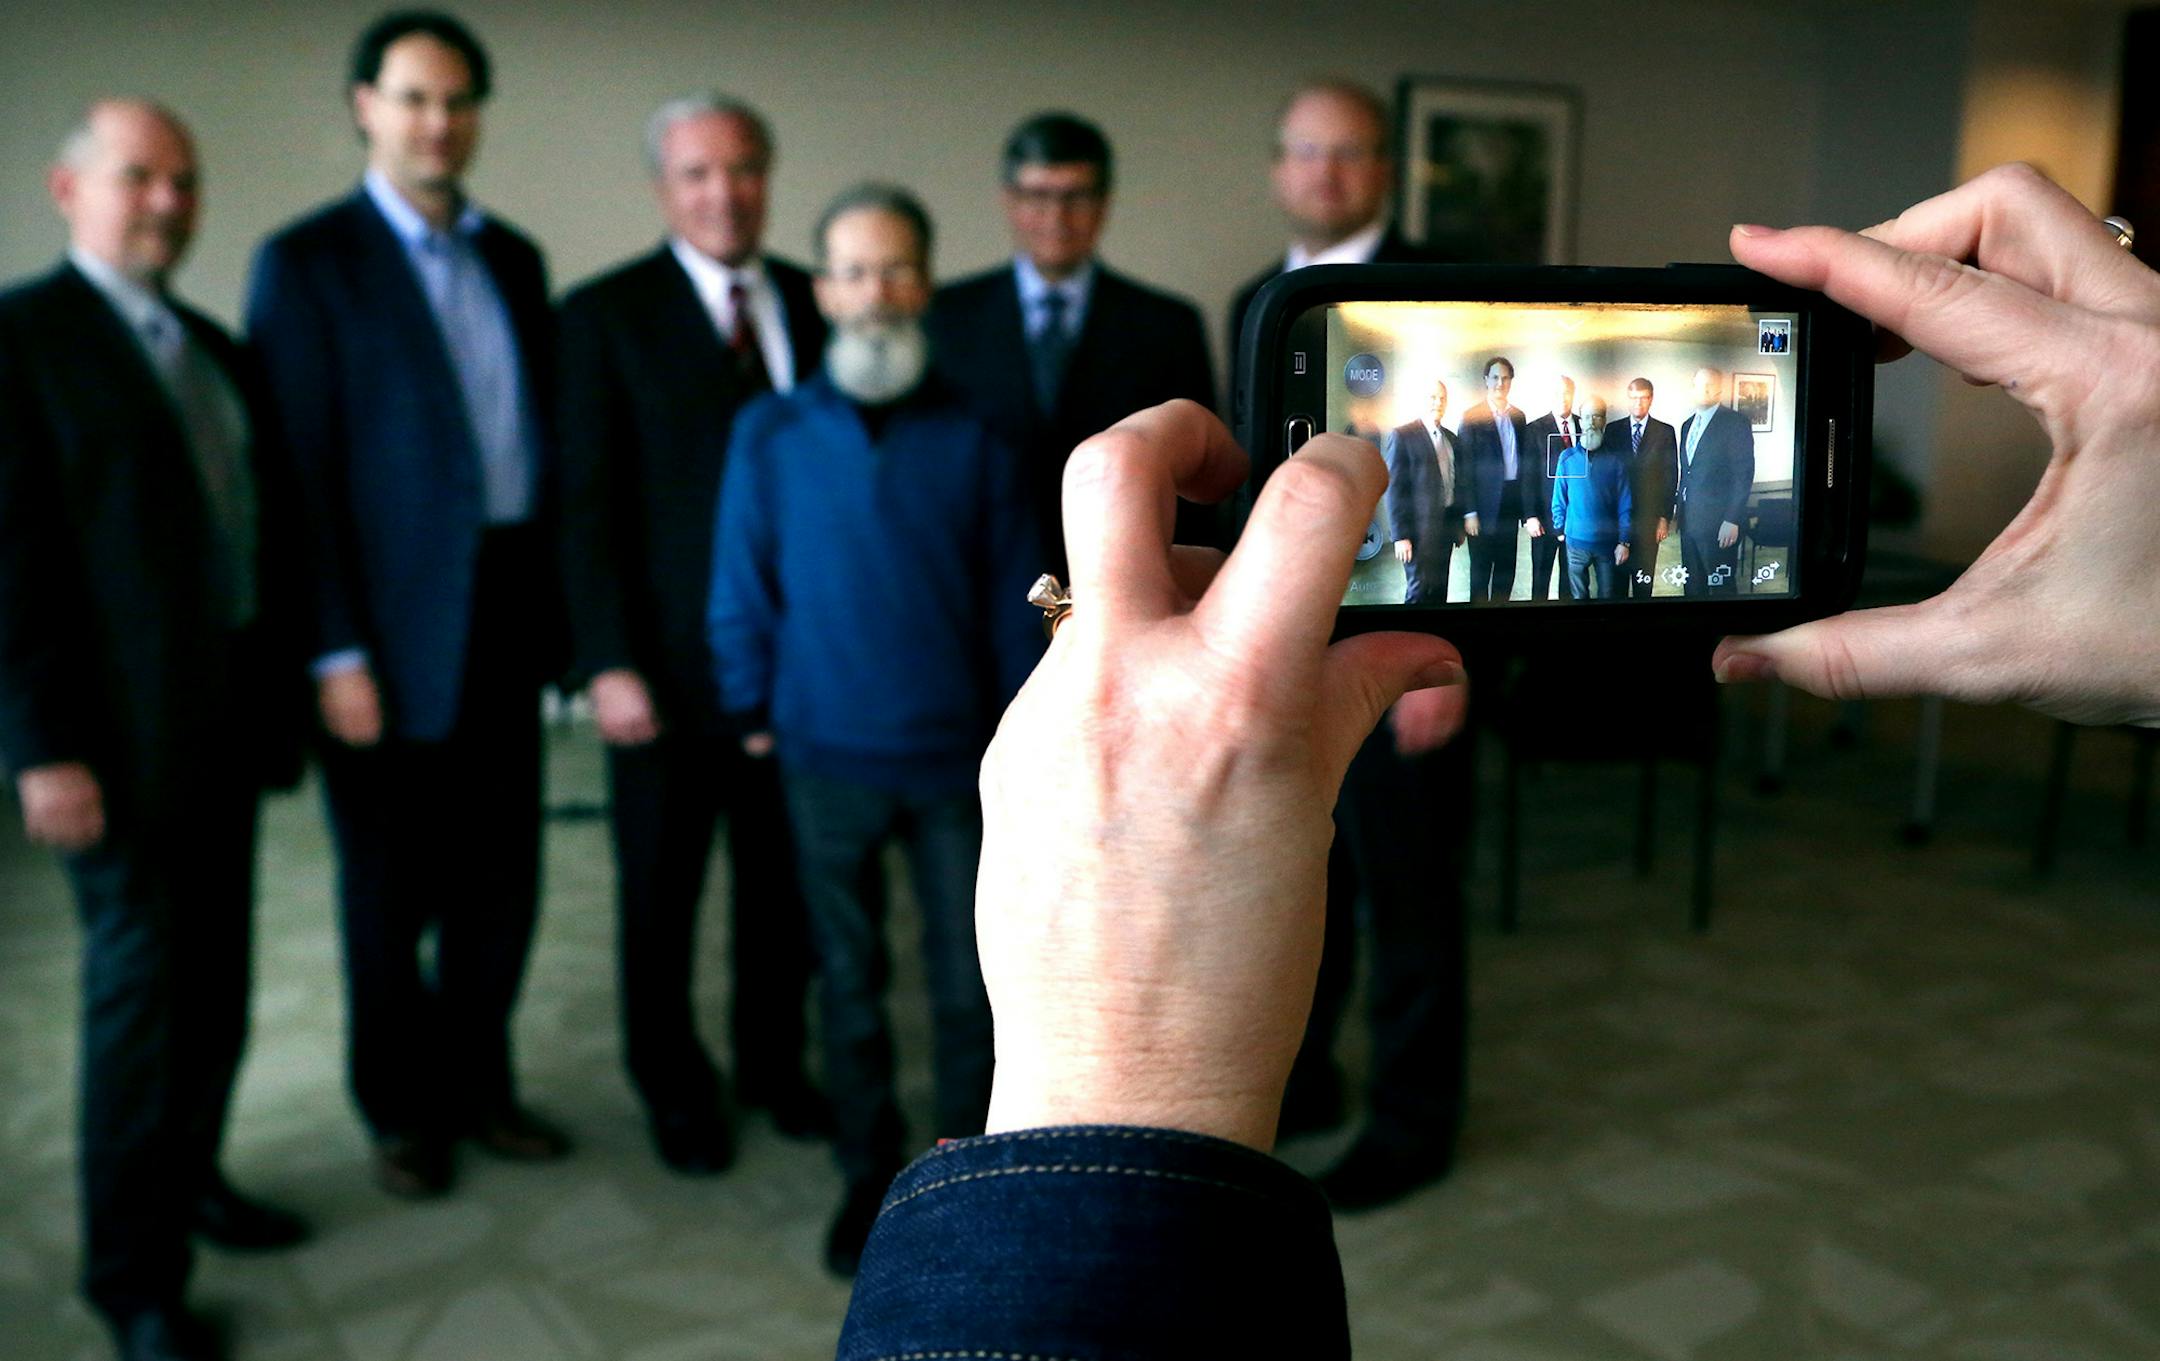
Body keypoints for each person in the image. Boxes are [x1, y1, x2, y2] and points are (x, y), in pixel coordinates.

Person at [834, 164, 2160, 1356]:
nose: (1315, 171)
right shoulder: (1395, 400)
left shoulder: (1592, 424)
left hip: (1461, 610)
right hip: (1336, 609)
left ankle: (1408, 1113)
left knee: (1414, 905)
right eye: (1295, 152)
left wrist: (1095, 1093)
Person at [0, 100, 308, 1361]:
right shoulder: (21, 338)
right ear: (69, 188)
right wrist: (40, 748)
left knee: (216, 985)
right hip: (109, 753)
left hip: (220, 733)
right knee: (139, 1008)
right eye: (139, 177)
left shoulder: (213, 345)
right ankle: (132, 1277)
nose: (169, 203)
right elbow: (10, 565)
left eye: (184, 181)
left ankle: (196, 1181)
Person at [246, 9, 568, 1200]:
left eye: (458, 100)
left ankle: (480, 1084)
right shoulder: (308, 261)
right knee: (389, 895)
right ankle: (400, 1109)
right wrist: (332, 646)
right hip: (379, 638)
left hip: (504, 610)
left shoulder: (514, 256)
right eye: (415, 98)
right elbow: (297, 476)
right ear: (364, 107)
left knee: (501, 882)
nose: (439, 122)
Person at [706, 183, 1044, 1277]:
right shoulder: (768, 433)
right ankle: (863, 1172)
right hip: (823, 753)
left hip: (954, 760)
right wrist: (750, 704)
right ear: (822, 291)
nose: (875, 292)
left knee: (965, 985)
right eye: (853, 271)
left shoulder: (982, 433)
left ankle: (958, 1178)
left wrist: (1022, 739)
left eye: (896, 269)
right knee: (847, 983)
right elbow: (740, 586)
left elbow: (1017, 604)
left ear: (926, 284)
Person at [556, 93, 828, 1174]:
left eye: (744, 168)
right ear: (662, 187)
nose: (725, 193)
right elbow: (583, 505)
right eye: (698, 173)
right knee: (661, 897)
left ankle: (774, 1064)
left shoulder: (816, 300)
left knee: (783, 891)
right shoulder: (603, 315)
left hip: (798, 672)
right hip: (660, 674)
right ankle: (671, 1083)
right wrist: (605, 660)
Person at [928, 111, 1216, 569]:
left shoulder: (1168, 325)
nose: (1056, 217)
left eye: (1075, 197)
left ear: (1104, 203)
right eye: (1037, 196)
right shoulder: (945, 317)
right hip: (978, 574)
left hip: (1125, 568)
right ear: (1009, 200)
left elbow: (1200, 480)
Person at [1227, 78, 1439, 348]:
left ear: (1385, 171)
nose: (1326, 172)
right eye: (1307, 151)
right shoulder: (1251, 302)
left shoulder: (1442, 289)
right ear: (1278, 169)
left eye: (1350, 153)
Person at [1456, 355, 1534, 601]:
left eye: (1506, 378)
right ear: (1486, 380)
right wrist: (1469, 512)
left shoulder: (1519, 417)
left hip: (1511, 503)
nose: (1500, 383)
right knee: (1480, 571)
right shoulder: (1471, 417)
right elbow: (1464, 469)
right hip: (1482, 507)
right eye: (1495, 377)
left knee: (1506, 569)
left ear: (1511, 381)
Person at [1380, 379, 1463, 604]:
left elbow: (1456, 483)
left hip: (1446, 529)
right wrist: (1400, 536)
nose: (1438, 402)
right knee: (1418, 591)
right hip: (1418, 534)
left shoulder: (1450, 438)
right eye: (1433, 397)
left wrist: (1458, 526)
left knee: (1440, 591)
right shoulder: (1402, 436)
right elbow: (1394, 489)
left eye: (1443, 398)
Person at [1675, 366, 1755, 596]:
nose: (1704, 390)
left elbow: (1743, 474)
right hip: (1688, 520)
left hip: (1719, 524)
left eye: (1709, 385)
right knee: (1693, 585)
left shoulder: (1735, 423)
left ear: (1719, 390)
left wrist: (1732, 519)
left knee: (1722, 587)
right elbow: (1688, 472)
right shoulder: (1687, 425)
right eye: (1699, 385)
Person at [1548, 396, 1632, 599]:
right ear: (1580, 421)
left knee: (1607, 596)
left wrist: (1624, 541)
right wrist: (1560, 530)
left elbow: (1625, 504)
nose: (1592, 422)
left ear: (1604, 421)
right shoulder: (1566, 458)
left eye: (1597, 416)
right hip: (1575, 544)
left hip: (1607, 545)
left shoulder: (1616, 461)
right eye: (1587, 417)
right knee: (1578, 599)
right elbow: (1559, 499)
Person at [1519, 375, 1579, 600]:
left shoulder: (1584, 425)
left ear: (1573, 394)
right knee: (1540, 582)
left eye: (1566, 392)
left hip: (1576, 520)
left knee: (1570, 581)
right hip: (1544, 520)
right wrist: (1530, 516)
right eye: (1557, 393)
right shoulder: (1534, 429)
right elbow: (1528, 477)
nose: (1562, 398)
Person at [1620, 377, 1679, 598]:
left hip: (1650, 519)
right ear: (1628, 399)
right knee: (1616, 584)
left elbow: (1670, 477)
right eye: (1634, 398)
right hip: (1619, 520)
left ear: (1651, 399)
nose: (1638, 403)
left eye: (1643, 398)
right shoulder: (1613, 430)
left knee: (1643, 582)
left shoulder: (1665, 432)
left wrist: (1664, 517)